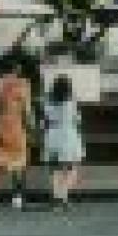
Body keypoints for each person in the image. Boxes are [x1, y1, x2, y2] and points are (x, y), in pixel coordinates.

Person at [0, 54, 34, 214]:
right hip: (14, 126)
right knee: (19, 161)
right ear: (16, 68)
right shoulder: (23, 84)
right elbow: (27, 110)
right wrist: (31, 126)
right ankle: (17, 197)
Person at [40, 72, 85, 207]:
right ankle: (63, 195)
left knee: (55, 168)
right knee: (71, 167)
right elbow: (77, 119)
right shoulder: (71, 101)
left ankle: (55, 195)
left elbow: (44, 120)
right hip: (68, 135)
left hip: (52, 135)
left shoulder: (48, 101)